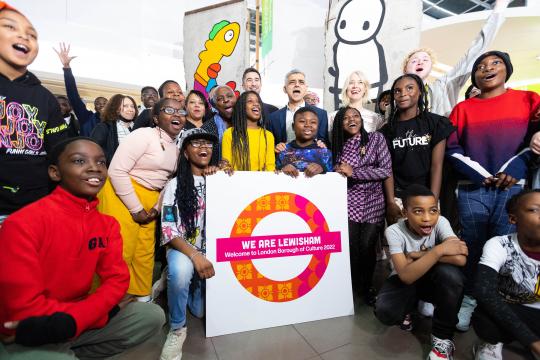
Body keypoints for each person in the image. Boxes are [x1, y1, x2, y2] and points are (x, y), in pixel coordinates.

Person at [0, 137, 165, 359]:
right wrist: (103, 312)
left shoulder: (107, 225)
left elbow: (118, 281)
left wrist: (75, 320)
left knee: (151, 316)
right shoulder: (23, 223)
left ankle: (71, 351)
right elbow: (25, 311)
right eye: (79, 161)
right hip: (28, 331)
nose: (94, 168)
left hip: (68, 321)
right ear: (55, 172)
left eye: (101, 162)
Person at [446, 51, 540, 332]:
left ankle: (502, 302)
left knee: (507, 246)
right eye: (480, 66)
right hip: (473, 188)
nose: (487, 68)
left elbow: (532, 141)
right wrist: (484, 175)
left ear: (507, 69)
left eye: (495, 63)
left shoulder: (528, 99)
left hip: (514, 188)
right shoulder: (463, 109)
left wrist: (518, 167)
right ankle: (471, 299)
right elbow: (452, 148)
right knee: (473, 245)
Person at [98, 97, 184, 302]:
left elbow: (168, 183)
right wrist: (136, 208)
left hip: (152, 199)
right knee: (120, 251)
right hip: (120, 194)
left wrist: (155, 208)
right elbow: (116, 171)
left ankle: (140, 296)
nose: (176, 115)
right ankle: (106, 300)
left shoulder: (177, 148)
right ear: (156, 118)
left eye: (181, 112)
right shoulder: (142, 135)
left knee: (144, 251)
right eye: (169, 110)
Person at [374, 184, 467, 360]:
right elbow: (406, 276)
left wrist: (417, 255)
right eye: (418, 211)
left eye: (433, 210)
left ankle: (442, 338)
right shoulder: (393, 231)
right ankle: (410, 307)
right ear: (405, 213)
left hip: (432, 278)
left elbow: (461, 258)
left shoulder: (441, 222)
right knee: (386, 311)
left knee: (452, 276)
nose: (427, 218)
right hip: (405, 280)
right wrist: (440, 250)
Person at [0, 2, 68, 224]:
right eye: (10, 27)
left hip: (34, 206)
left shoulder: (45, 98)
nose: (24, 36)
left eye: (32, 34)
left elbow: (59, 151)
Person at [160, 128, 221, 360]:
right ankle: (177, 328)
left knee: (199, 310)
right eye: (195, 144)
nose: (203, 147)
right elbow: (168, 229)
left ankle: (188, 283)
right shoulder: (174, 185)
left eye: (207, 143)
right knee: (181, 270)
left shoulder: (221, 180)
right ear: (185, 153)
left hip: (213, 249)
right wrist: (195, 256)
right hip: (183, 248)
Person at [402, 0, 509, 118]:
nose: (420, 61)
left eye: (425, 60)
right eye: (414, 60)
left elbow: (473, 54)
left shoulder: (446, 85)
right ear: (405, 69)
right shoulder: (394, 96)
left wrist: (498, 10)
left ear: (430, 68)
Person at [331, 106, 391, 305]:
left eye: (355, 116)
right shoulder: (338, 146)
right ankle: (352, 287)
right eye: (346, 118)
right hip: (348, 202)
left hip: (374, 202)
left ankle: (367, 288)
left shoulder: (376, 139)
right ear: (340, 124)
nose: (351, 120)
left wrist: (354, 172)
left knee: (367, 247)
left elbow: (385, 171)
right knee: (351, 248)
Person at [472, 189, 540, 360]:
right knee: (485, 312)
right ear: (513, 218)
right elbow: (484, 290)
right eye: (534, 209)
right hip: (509, 309)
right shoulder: (500, 245)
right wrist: (533, 342)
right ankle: (491, 343)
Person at [381, 74, 455, 224]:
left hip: (428, 195)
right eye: (397, 91)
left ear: (420, 91)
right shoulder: (387, 131)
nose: (403, 94)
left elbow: (437, 166)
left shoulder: (435, 123)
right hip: (399, 197)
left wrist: (432, 201)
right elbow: (386, 168)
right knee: (399, 244)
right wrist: (390, 202)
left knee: (428, 243)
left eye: (409, 88)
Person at [54, 42, 107, 136]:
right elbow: (73, 95)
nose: (101, 105)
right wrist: (67, 68)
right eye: (98, 103)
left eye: (104, 103)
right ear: (94, 107)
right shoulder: (87, 117)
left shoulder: (116, 122)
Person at [268, 69, 329, 147]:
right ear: (285, 89)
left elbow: (325, 142)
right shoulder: (273, 117)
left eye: (301, 82)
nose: (297, 85)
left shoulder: (321, 114)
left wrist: (323, 145)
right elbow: (269, 146)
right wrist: (276, 148)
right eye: (292, 82)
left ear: (306, 88)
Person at [222, 91, 275, 171]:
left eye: (258, 102)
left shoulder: (268, 135)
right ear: (242, 107)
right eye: (250, 101)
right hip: (236, 182)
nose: (256, 104)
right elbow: (226, 165)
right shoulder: (229, 133)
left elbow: (270, 167)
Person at [276, 107, 332, 177]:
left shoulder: (326, 153)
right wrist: (282, 168)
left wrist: (323, 168)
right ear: (293, 126)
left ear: (318, 127)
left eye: (313, 122)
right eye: (302, 121)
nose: (308, 125)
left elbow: (334, 179)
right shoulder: (283, 151)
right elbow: (274, 174)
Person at [329, 71, 385, 135]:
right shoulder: (332, 117)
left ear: (365, 89)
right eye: (351, 83)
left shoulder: (376, 119)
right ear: (346, 88)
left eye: (360, 82)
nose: (355, 86)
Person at [90, 94, 138, 166]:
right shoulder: (104, 127)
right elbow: (91, 152)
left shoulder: (138, 128)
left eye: (132, 106)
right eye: (125, 106)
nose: (130, 109)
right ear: (115, 108)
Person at [201, 85, 237, 165]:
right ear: (214, 106)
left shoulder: (247, 124)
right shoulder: (206, 129)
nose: (226, 100)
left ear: (236, 99)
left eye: (229, 96)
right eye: (220, 99)